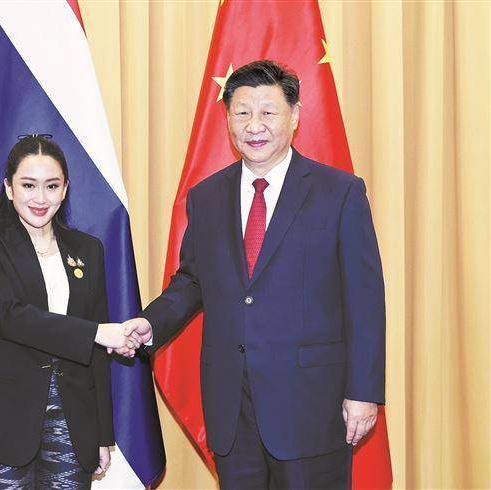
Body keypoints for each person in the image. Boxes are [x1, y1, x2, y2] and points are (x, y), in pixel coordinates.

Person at [120, 61, 386, 489]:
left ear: (294, 116)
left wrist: (363, 392)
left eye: (268, 112)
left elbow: (365, 300)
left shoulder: (340, 193)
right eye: (242, 112)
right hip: (233, 407)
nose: (254, 125)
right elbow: (192, 281)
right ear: (227, 119)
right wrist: (150, 323)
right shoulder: (206, 197)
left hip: (311, 405)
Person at [0, 135, 137, 489]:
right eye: (28, 185)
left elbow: (97, 358)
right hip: (3, 420)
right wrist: (96, 332)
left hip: (73, 421)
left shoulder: (88, 249)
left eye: (51, 186)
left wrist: (102, 434)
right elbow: (9, 317)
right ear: (9, 188)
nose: (40, 198)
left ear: (65, 189)